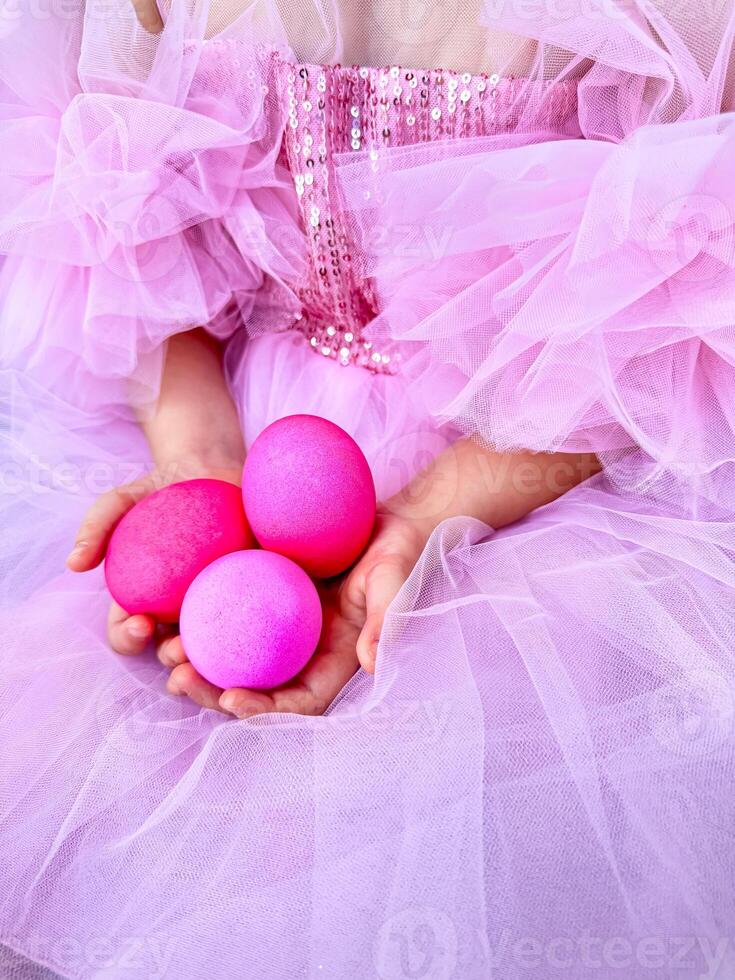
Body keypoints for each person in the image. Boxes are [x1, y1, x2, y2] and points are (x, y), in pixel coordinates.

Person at [2, 1, 735, 977]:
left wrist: (423, 517)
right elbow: (121, 217)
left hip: (535, 456)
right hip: (260, 427)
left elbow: (681, 296)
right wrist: (196, 459)